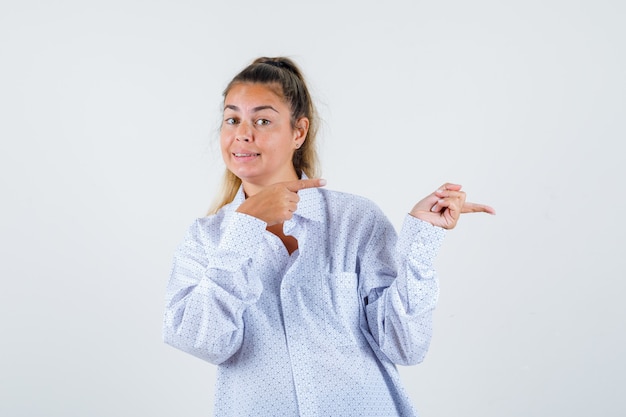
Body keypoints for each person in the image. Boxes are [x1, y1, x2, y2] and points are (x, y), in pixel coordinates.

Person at [162, 56, 495, 417]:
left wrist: (419, 245)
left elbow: (405, 346)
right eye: (232, 119)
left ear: (299, 132)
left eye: (262, 120)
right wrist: (244, 228)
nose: (243, 133)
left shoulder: (355, 220)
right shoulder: (205, 239)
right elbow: (202, 341)